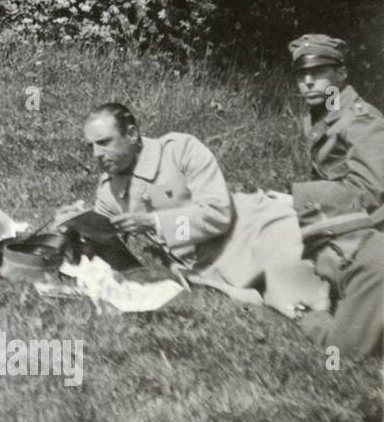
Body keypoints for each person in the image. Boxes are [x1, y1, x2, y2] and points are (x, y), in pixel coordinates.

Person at [77, 103, 311, 302]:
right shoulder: (109, 188)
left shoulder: (180, 150)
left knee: (307, 277)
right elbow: (107, 249)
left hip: (250, 229)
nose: (96, 153)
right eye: (91, 146)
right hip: (208, 265)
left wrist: (155, 223)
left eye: (104, 142)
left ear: (132, 134)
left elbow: (218, 214)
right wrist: (76, 228)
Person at [282, 34, 384, 358]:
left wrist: (302, 199)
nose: (309, 82)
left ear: (341, 74)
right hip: (345, 221)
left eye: (320, 72)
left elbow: (371, 190)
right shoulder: (323, 111)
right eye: (302, 75)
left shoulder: (361, 121)